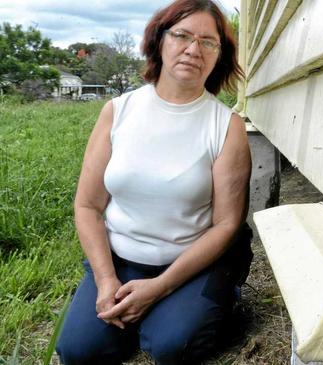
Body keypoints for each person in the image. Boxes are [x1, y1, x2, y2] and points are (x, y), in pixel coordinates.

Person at [56, 1, 253, 363]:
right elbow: (88, 205)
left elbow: (227, 224)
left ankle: (219, 299)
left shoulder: (227, 126)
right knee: (78, 352)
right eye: (182, 35)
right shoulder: (118, 111)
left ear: (218, 55)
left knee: (174, 346)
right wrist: (104, 280)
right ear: (159, 41)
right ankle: (141, 309)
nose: (194, 49)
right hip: (121, 261)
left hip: (191, 264)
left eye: (208, 42)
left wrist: (160, 288)